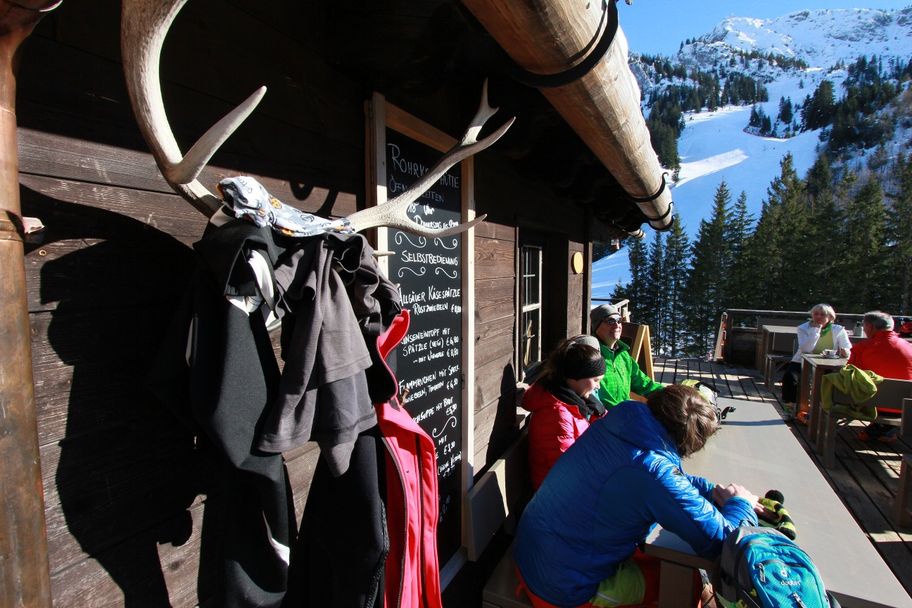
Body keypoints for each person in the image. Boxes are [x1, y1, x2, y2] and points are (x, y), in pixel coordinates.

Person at [514, 385, 759, 608]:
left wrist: (714, 491)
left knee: (664, 564)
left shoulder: (621, 423)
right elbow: (725, 547)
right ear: (688, 443)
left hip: (537, 554)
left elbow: (669, 481)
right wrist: (741, 505)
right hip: (562, 589)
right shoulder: (652, 470)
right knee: (685, 581)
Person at [521, 335, 607, 490]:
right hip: (558, 499)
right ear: (575, 377)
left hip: (571, 490)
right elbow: (567, 468)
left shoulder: (576, 403)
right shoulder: (556, 414)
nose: (598, 387)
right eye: (596, 380)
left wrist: (598, 414)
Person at [847, 310, 912, 443]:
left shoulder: (862, 348)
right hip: (906, 408)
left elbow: (848, 374)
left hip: (870, 405)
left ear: (870, 327)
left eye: (864, 326)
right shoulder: (909, 347)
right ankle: (884, 429)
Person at [781, 303, 852, 423]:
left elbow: (847, 348)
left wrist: (845, 351)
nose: (818, 317)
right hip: (802, 360)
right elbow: (806, 349)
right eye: (816, 314)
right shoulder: (803, 328)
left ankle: (824, 410)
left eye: (822, 314)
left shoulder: (838, 330)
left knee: (832, 381)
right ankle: (789, 408)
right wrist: (815, 330)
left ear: (830, 317)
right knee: (790, 377)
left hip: (828, 363)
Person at [589, 304, 663, 407]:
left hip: (624, 415)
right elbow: (597, 399)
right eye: (611, 321)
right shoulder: (592, 356)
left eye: (619, 320)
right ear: (596, 326)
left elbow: (642, 383)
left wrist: (669, 394)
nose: (617, 325)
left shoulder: (623, 355)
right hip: (604, 418)